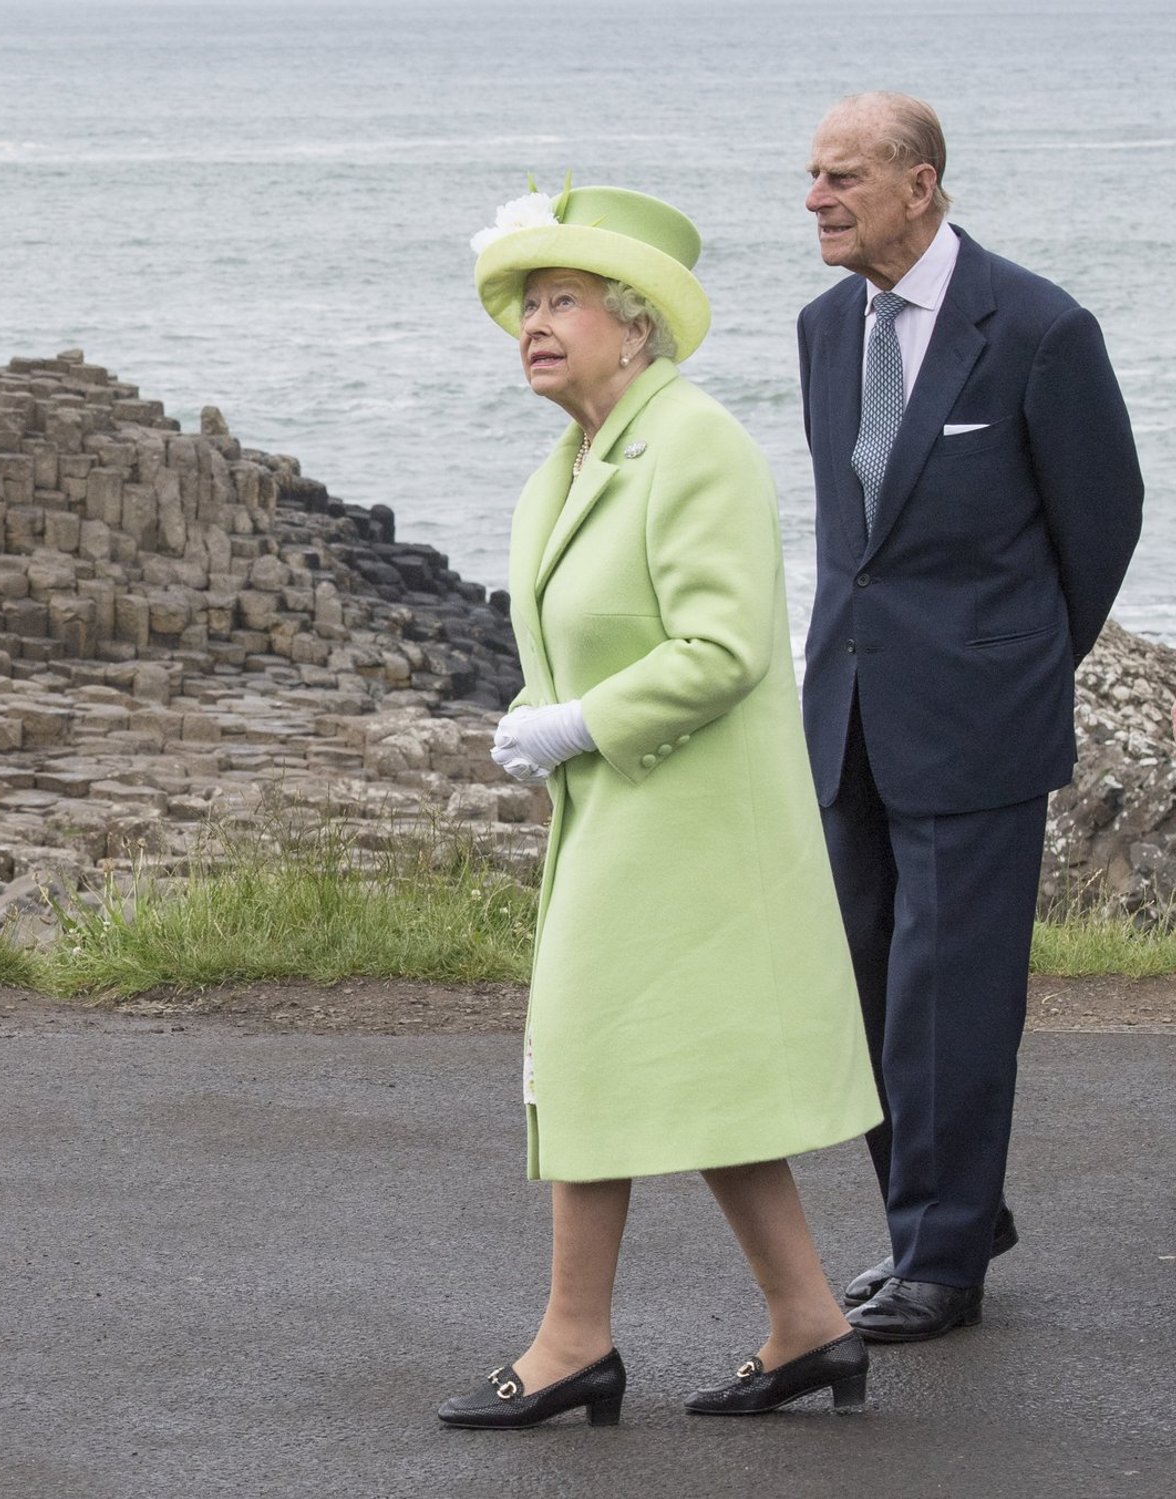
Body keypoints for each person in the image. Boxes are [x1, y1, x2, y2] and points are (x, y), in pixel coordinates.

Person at [436, 184, 884, 1430]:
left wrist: (575, 724)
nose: (532, 321)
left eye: (560, 299)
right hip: (624, 820)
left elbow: (724, 643)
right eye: (524, 303)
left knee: (587, 1054)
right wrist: (550, 728)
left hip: (691, 823)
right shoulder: (573, 457)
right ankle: (809, 1322)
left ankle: (571, 1340)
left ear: (634, 328)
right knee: (699, 1073)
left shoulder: (692, 442)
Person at [798, 93, 1142, 1340]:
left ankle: (939, 1258)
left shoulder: (1038, 327)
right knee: (862, 982)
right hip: (845, 710)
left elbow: (1100, 520)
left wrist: (1013, 657)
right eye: (811, 177)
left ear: (919, 184)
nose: (815, 200)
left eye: (840, 178)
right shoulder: (822, 327)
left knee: (950, 990)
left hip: (977, 713)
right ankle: (946, 1208)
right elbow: (855, 537)